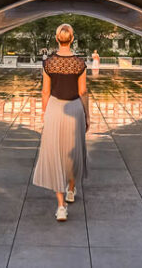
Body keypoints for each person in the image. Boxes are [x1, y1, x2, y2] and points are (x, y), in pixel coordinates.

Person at [32, 23, 89, 222]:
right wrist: (87, 115)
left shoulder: (49, 63)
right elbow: (83, 92)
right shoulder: (80, 63)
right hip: (74, 108)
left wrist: (44, 113)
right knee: (72, 151)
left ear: (57, 39)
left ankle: (61, 206)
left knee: (55, 153)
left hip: (55, 109)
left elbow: (45, 92)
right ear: (72, 39)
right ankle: (71, 190)